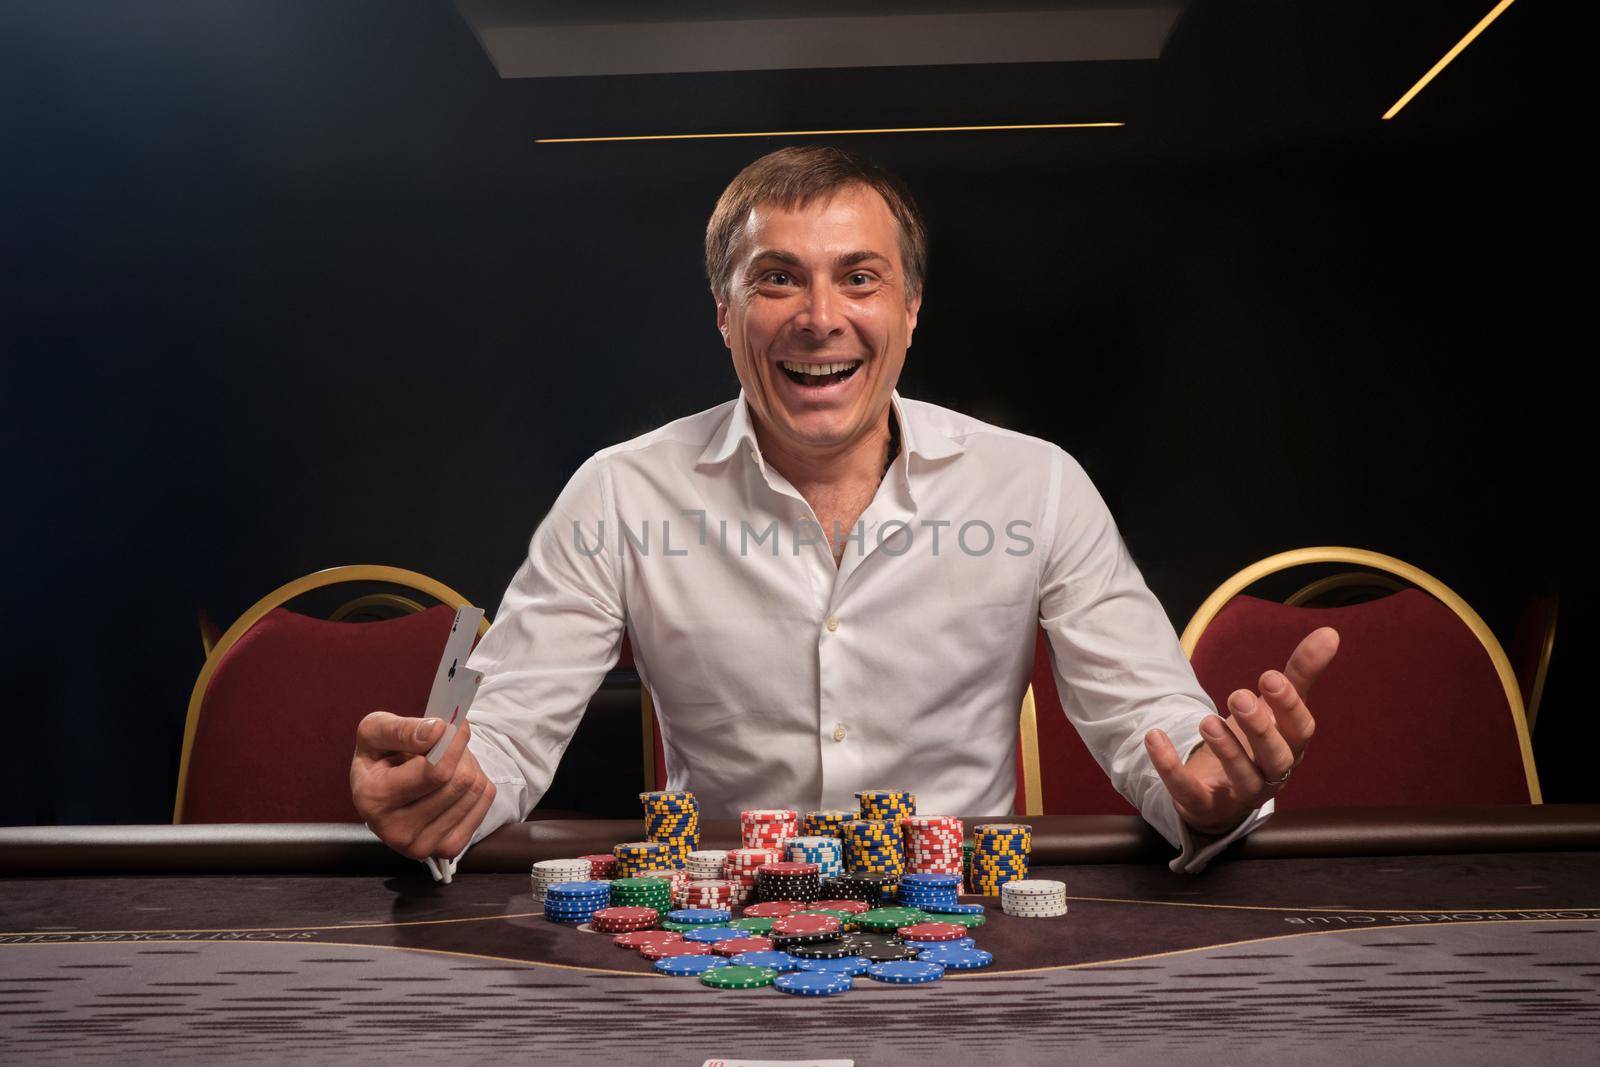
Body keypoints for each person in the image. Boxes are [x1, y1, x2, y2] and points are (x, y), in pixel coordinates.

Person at [349, 145, 1339, 874]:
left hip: (963, 927)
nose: (819, 317)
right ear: (724, 313)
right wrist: (445, 792)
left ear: (909, 310)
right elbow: (509, 735)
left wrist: (1210, 789)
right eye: (776, 279)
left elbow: (1151, 726)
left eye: (857, 278)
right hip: (723, 933)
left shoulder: (1035, 484)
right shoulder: (618, 492)